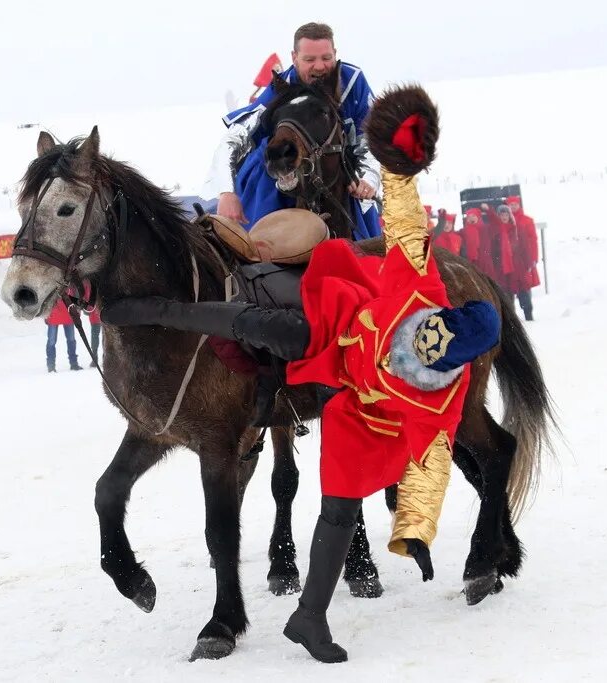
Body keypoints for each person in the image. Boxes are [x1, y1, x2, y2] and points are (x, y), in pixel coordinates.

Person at [103, 86, 500, 663]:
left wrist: (413, 525)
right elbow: (406, 219)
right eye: (437, 331)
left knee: (338, 507)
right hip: (334, 321)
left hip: (349, 394)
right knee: (241, 318)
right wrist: (403, 155)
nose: (429, 343)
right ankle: (149, 310)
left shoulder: (438, 390)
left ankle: (309, 617)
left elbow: (428, 451)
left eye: (435, 351)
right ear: (444, 314)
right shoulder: (423, 293)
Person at [204, 22, 382, 240]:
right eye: (309, 60)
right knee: (260, 245)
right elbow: (232, 141)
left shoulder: (353, 81)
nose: (319, 67)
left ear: (335, 53)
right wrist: (226, 192)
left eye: (326, 58)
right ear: (294, 57)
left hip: (339, 171)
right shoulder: (279, 90)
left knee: (370, 239)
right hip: (282, 173)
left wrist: (369, 178)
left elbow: (371, 136)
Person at [505, 195, 541, 320]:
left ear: (519, 205)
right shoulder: (505, 221)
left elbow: (533, 240)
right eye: (510, 205)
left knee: (524, 287)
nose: (513, 206)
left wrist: (533, 258)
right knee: (509, 289)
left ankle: (528, 315)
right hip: (509, 261)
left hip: (523, 260)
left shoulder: (527, 220)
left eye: (515, 204)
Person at [45, 299, 82, 372]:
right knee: (53, 341)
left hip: (66, 314)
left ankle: (73, 363)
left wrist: (77, 310)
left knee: (69, 340)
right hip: (55, 314)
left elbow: (75, 295)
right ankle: (51, 365)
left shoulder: (70, 287)